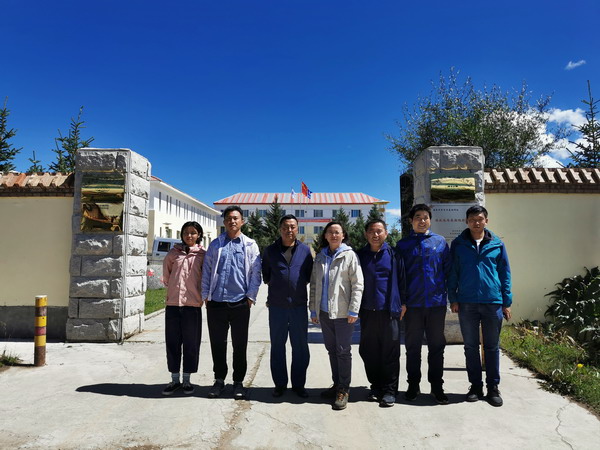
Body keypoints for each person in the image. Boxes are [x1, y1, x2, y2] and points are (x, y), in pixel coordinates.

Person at [448, 205, 512, 407]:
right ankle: (475, 386)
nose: (476, 223)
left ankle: (493, 387)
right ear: (466, 222)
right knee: (470, 346)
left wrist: (506, 301)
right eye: (472, 219)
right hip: (467, 303)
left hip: (492, 302)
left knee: (492, 346)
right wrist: (453, 298)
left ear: (486, 221)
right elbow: (453, 272)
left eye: (480, 219)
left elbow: (505, 273)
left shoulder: (497, 244)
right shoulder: (458, 244)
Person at [201, 205, 262, 400]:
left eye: (235, 218)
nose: (232, 221)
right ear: (224, 221)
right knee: (217, 344)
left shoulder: (250, 245)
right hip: (216, 302)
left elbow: (256, 273)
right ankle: (219, 380)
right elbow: (207, 270)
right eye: (228, 218)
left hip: (240, 303)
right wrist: (205, 295)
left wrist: (250, 297)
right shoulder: (215, 244)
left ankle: (238, 382)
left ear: (242, 221)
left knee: (239, 345)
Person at [396, 204, 451, 404]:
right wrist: (402, 302)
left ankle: (436, 386)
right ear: (411, 221)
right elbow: (399, 277)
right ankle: (413, 385)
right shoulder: (403, 245)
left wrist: (450, 297)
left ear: (430, 220)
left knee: (437, 347)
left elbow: (448, 271)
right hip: (413, 306)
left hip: (436, 304)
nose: (422, 220)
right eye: (417, 217)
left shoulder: (440, 242)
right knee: (413, 348)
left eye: (425, 217)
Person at [309, 221, 364, 410]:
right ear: (325, 236)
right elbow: (314, 285)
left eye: (337, 232)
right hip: (324, 313)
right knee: (332, 350)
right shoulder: (320, 257)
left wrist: (353, 310)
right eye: (330, 232)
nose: (333, 235)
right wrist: (314, 309)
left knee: (343, 350)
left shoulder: (349, 256)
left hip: (343, 314)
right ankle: (336, 384)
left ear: (343, 236)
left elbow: (357, 284)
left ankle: (344, 389)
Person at [262, 214, 314, 399]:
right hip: (277, 307)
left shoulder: (305, 251)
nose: (289, 230)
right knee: (277, 346)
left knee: (300, 347)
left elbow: (308, 275)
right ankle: (280, 384)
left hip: (298, 306)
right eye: (285, 227)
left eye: (292, 227)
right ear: (280, 229)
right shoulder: (270, 251)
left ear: (297, 229)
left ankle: (299, 385)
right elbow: (266, 275)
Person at [357, 219, 406, 407]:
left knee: (390, 352)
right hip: (367, 311)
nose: (375, 235)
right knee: (369, 351)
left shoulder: (394, 255)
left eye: (379, 231)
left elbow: (402, 280)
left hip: (389, 311)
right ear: (366, 234)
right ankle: (375, 386)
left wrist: (403, 303)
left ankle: (390, 390)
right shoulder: (359, 256)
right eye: (371, 231)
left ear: (386, 233)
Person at [161, 221, 206, 396]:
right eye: (186, 232)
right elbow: (166, 275)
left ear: (199, 235)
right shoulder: (173, 253)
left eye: (193, 233)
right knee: (172, 342)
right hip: (173, 304)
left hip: (192, 305)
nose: (189, 236)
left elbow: (206, 277)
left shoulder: (202, 255)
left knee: (191, 343)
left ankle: (187, 380)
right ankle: (174, 379)